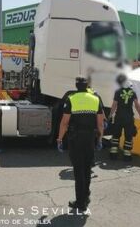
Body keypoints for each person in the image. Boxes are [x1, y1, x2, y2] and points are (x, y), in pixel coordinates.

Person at [57, 77, 104, 212]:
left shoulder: (71, 99)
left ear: (76, 86)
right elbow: (100, 123)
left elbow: (64, 123)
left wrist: (59, 139)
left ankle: (80, 203)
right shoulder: (95, 99)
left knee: (78, 171)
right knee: (87, 168)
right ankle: (86, 196)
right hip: (90, 138)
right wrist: (100, 140)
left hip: (75, 139)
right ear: (87, 85)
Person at [109, 74, 140, 161]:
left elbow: (114, 105)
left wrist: (110, 115)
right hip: (129, 117)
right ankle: (127, 155)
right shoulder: (132, 92)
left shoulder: (118, 91)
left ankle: (113, 153)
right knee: (128, 135)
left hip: (119, 117)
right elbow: (137, 105)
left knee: (116, 134)